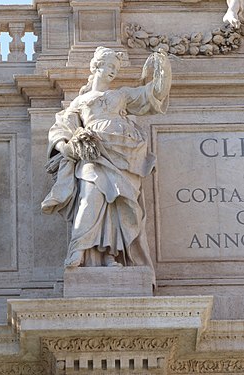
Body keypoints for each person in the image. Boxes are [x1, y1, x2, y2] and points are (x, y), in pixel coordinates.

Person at [41, 46, 171, 282]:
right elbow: (60, 129)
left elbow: (154, 95)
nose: (112, 72)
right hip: (94, 154)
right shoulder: (80, 101)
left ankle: (110, 254)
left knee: (118, 203)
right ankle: (78, 251)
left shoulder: (120, 95)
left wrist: (163, 68)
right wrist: (67, 147)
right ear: (96, 66)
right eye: (109, 66)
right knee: (90, 197)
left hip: (123, 155)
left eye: (116, 68)